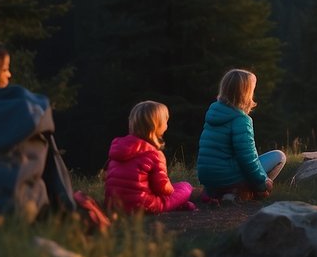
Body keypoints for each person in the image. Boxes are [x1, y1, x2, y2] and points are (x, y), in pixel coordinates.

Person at [196, 69, 286, 202]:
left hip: (208, 179)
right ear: (246, 93)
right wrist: (262, 184)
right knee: (279, 156)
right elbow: (247, 158)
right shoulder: (241, 120)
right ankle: (241, 194)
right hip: (229, 178)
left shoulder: (213, 112)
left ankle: (219, 193)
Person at [104, 100, 195, 214]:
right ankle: (183, 200)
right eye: (165, 121)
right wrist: (171, 189)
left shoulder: (117, 149)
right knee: (185, 187)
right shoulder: (154, 154)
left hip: (113, 205)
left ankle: (181, 204)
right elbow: (162, 189)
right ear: (157, 125)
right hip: (144, 206)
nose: (167, 125)